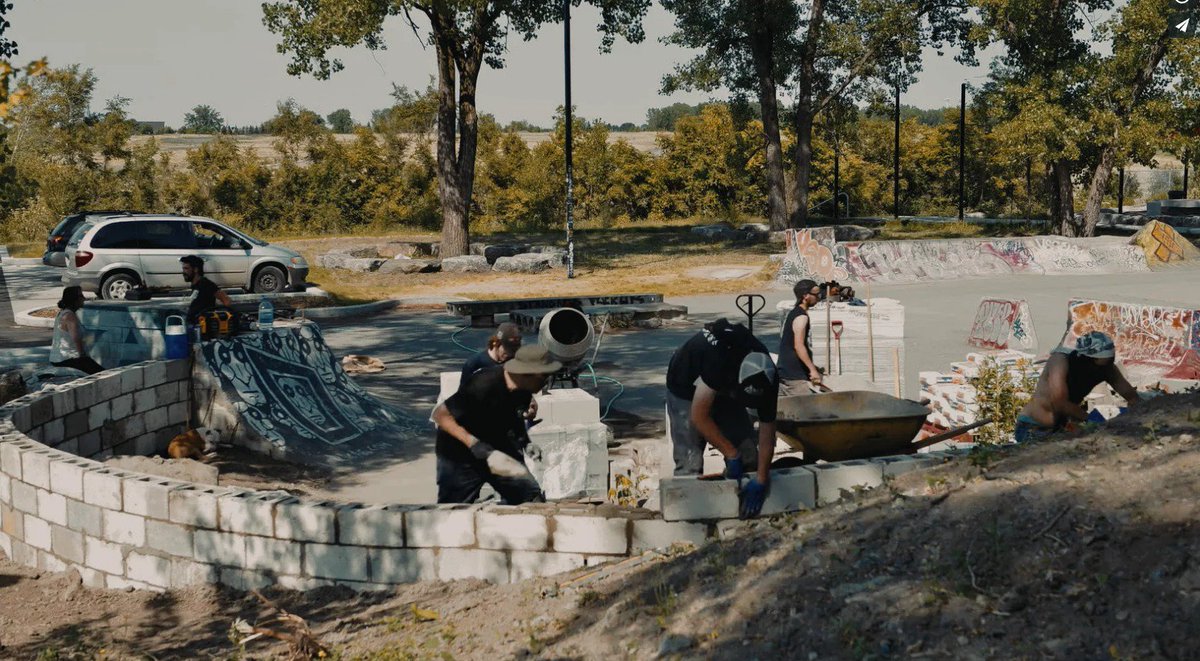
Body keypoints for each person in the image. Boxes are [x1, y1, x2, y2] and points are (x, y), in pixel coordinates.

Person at [665, 318, 779, 518]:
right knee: (690, 459)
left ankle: (742, 515)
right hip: (685, 385)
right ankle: (688, 519)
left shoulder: (770, 379)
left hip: (726, 387)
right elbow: (699, 417)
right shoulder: (720, 363)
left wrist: (761, 479)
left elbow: (768, 434)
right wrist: (730, 453)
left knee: (748, 454)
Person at [431, 344, 560, 504]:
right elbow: (440, 415)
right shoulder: (483, 384)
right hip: (460, 453)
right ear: (527, 373)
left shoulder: (523, 391)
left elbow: (515, 418)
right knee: (453, 513)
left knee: (531, 499)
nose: (546, 383)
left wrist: (525, 442)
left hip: (498, 447)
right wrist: (473, 443)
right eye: (544, 377)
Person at [1015, 331, 1139, 443]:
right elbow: (1059, 402)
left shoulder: (1107, 369)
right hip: (1033, 427)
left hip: (1063, 426)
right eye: (1100, 364)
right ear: (1084, 358)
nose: (1102, 369)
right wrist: (1093, 420)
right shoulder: (1060, 361)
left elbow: (1133, 398)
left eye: (1108, 362)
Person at [778, 279, 822, 396]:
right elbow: (798, 346)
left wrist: (813, 367)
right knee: (807, 411)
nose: (819, 297)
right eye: (816, 294)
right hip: (794, 376)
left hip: (786, 371)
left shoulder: (794, 313)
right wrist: (812, 370)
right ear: (805, 296)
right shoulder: (801, 317)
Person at [49, 286, 104, 375]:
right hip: (67, 359)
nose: (84, 298)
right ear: (74, 299)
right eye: (81, 296)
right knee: (103, 374)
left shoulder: (62, 313)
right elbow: (76, 339)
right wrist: (83, 357)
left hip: (59, 358)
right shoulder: (69, 316)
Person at [460, 322, 522, 386]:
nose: (510, 355)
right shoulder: (474, 364)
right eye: (507, 351)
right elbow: (463, 393)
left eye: (513, 351)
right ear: (495, 343)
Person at [180, 255, 232, 323]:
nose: (183, 272)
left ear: (196, 269)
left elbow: (226, 300)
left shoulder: (206, 284)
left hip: (203, 326)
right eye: (183, 269)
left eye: (186, 268)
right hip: (193, 324)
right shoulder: (195, 285)